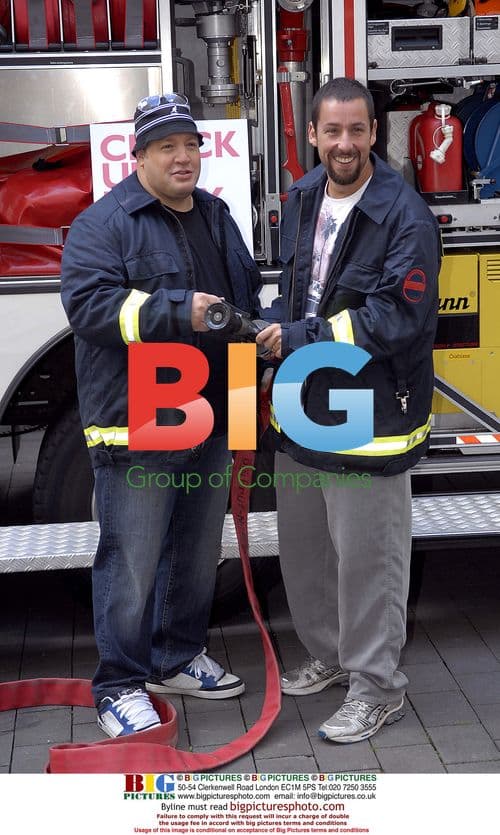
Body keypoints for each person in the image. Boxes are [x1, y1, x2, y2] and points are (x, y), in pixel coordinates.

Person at [61, 93, 263, 737]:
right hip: (138, 420)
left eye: (191, 146)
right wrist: (177, 310)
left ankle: (176, 656)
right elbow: (90, 309)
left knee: (196, 550)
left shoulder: (215, 213)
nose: (183, 158)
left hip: (207, 413)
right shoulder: (105, 224)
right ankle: (119, 683)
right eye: (166, 147)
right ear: (139, 155)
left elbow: (238, 304)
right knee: (133, 557)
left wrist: (241, 407)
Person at [256, 77, 440, 744]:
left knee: (368, 558)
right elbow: (299, 289)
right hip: (305, 402)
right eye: (331, 131)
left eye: (357, 130)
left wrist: (301, 337)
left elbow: (398, 317)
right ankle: (332, 657)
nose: (344, 143)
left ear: (374, 135)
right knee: (306, 549)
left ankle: (378, 686)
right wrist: (270, 326)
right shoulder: (303, 198)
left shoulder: (404, 215)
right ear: (311, 134)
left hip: (371, 413)